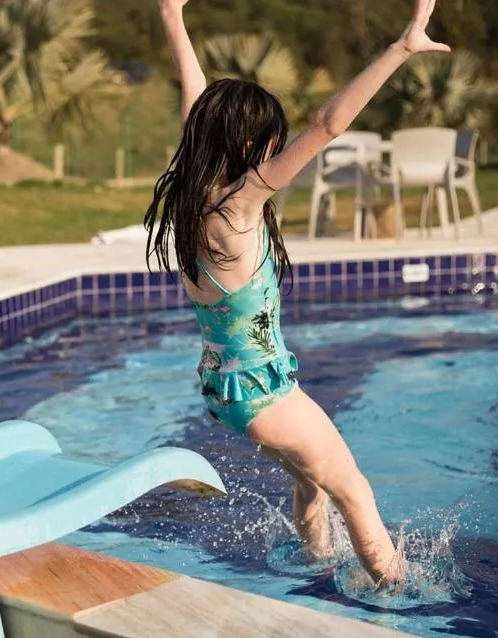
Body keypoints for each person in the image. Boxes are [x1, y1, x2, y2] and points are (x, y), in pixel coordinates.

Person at [146, 0, 452, 586]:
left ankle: (315, 567)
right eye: (268, 139)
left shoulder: (193, 195)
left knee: (312, 480)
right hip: (266, 394)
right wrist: (401, 48)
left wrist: (172, 17)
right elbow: (328, 125)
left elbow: (195, 108)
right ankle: (400, 596)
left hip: (227, 388)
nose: (274, 148)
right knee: (354, 489)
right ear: (245, 144)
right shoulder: (238, 205)